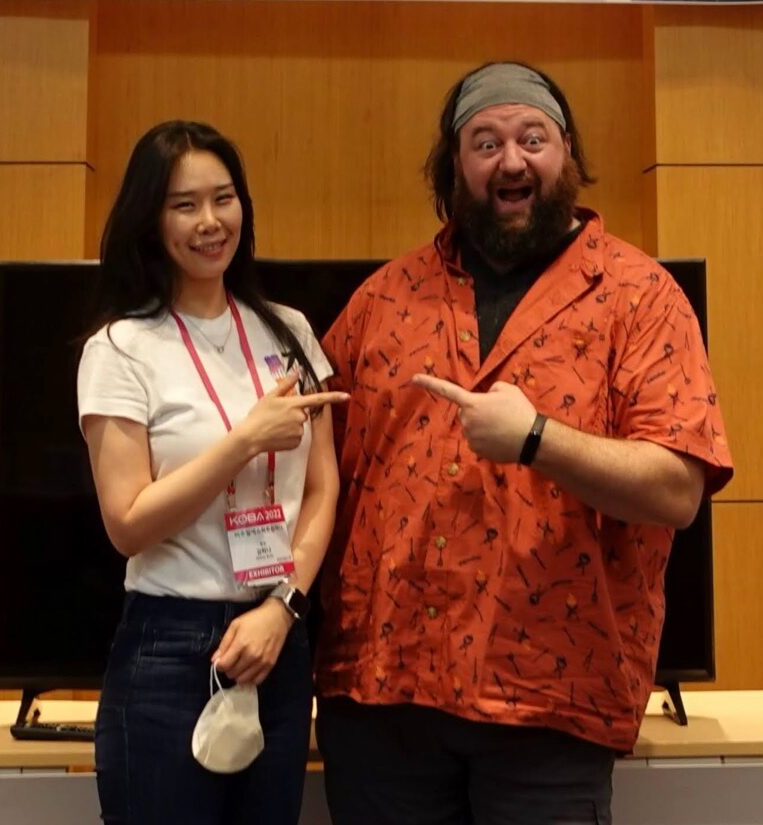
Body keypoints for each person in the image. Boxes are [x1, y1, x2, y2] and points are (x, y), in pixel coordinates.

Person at [314, 62, 735, 824]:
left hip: (550, 703)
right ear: (453, 168)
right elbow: (309, 478)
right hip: (381, 702)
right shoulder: (382, 301)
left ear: (567, 153)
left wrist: (537, 438)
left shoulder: (641, 298)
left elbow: (678, 488)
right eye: (485, 143)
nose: (511, 161)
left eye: (532, 139)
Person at [77, 120, 348, 825]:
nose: (210, 222)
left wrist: (283, 608)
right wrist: (242, 442)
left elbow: (323, 489)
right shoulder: (121, 349)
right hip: (170, 647)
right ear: (151, 218)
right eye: (184, 205)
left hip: (277, 639)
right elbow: (127, 524)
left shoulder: (288, 329)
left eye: (223, 199)